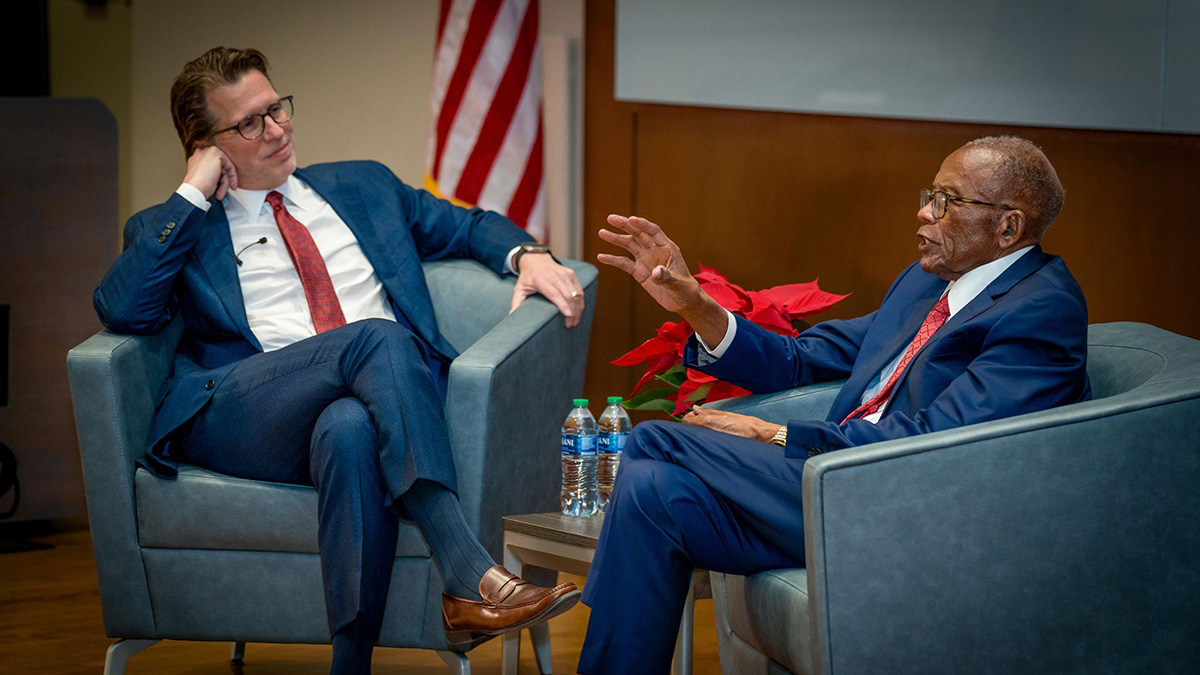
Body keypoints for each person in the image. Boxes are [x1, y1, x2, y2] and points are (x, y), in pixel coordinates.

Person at [93, 47, 582, 675]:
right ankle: (465, 571)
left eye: (276, 109)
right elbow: (123, 309)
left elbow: (463, 227)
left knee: (349, 429)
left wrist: (528, 254)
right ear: (203, 145)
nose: (275, 130)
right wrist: (191, 192)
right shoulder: (181, 225)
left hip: (367, 408)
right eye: (248, 123)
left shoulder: (362, 186)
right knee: (375, 336)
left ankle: (349, 664)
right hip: (248, 411)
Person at [578, 136, 1091, 674]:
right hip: (826, 484)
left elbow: (937, 441)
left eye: (947, 200)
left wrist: (772, 434)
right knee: (648, 489)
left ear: (1008, 227)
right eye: (928, 194)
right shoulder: (926, 284)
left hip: (901, 505)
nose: (923, 211)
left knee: (657, 439)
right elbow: (800, 359)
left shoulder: (1042, 310)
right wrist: (695, 305)